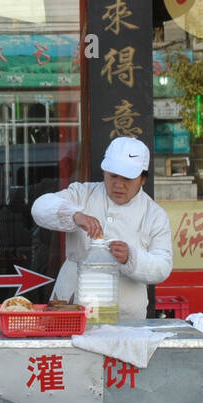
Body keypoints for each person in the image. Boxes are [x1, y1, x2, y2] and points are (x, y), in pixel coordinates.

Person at [31, 136, 173, 321]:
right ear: (104, 172)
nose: (118, 185)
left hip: (126, 311)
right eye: (113, 176)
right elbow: (40, 207)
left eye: (128, 178)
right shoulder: (83, 194)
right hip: (71, 303)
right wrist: (74, 215)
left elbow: (163, 266)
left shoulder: (155, 215)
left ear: (143, 179)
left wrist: (132, 257)